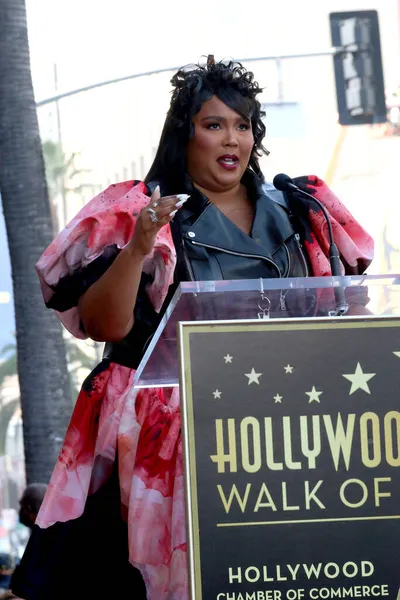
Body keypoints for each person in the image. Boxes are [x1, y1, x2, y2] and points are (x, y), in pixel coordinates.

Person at [12, 57, 373, 600]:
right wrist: (138, 245)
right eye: (214, 125)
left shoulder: (301, 210)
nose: (232, 138)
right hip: (162, 445)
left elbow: (346, 317)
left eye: (243, 124)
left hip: (281, 436)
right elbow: (102, 324)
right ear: (186, 134)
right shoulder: (142, 210)